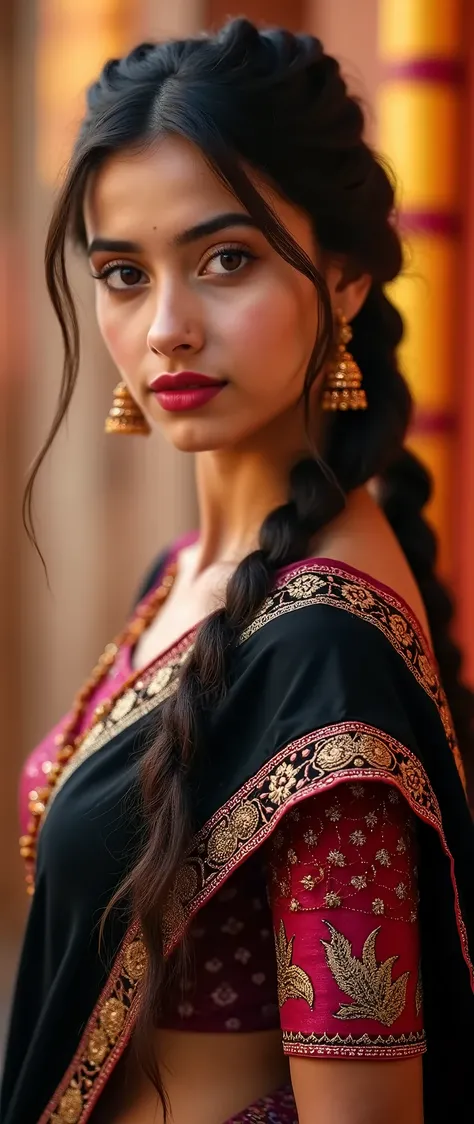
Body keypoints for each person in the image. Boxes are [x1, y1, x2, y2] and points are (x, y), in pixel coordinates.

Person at [2, 19, 474, 1124]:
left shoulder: (323, 658)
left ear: (346, 277)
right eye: (123, 273)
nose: (165, 328)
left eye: (226, 259)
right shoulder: (190, 576)